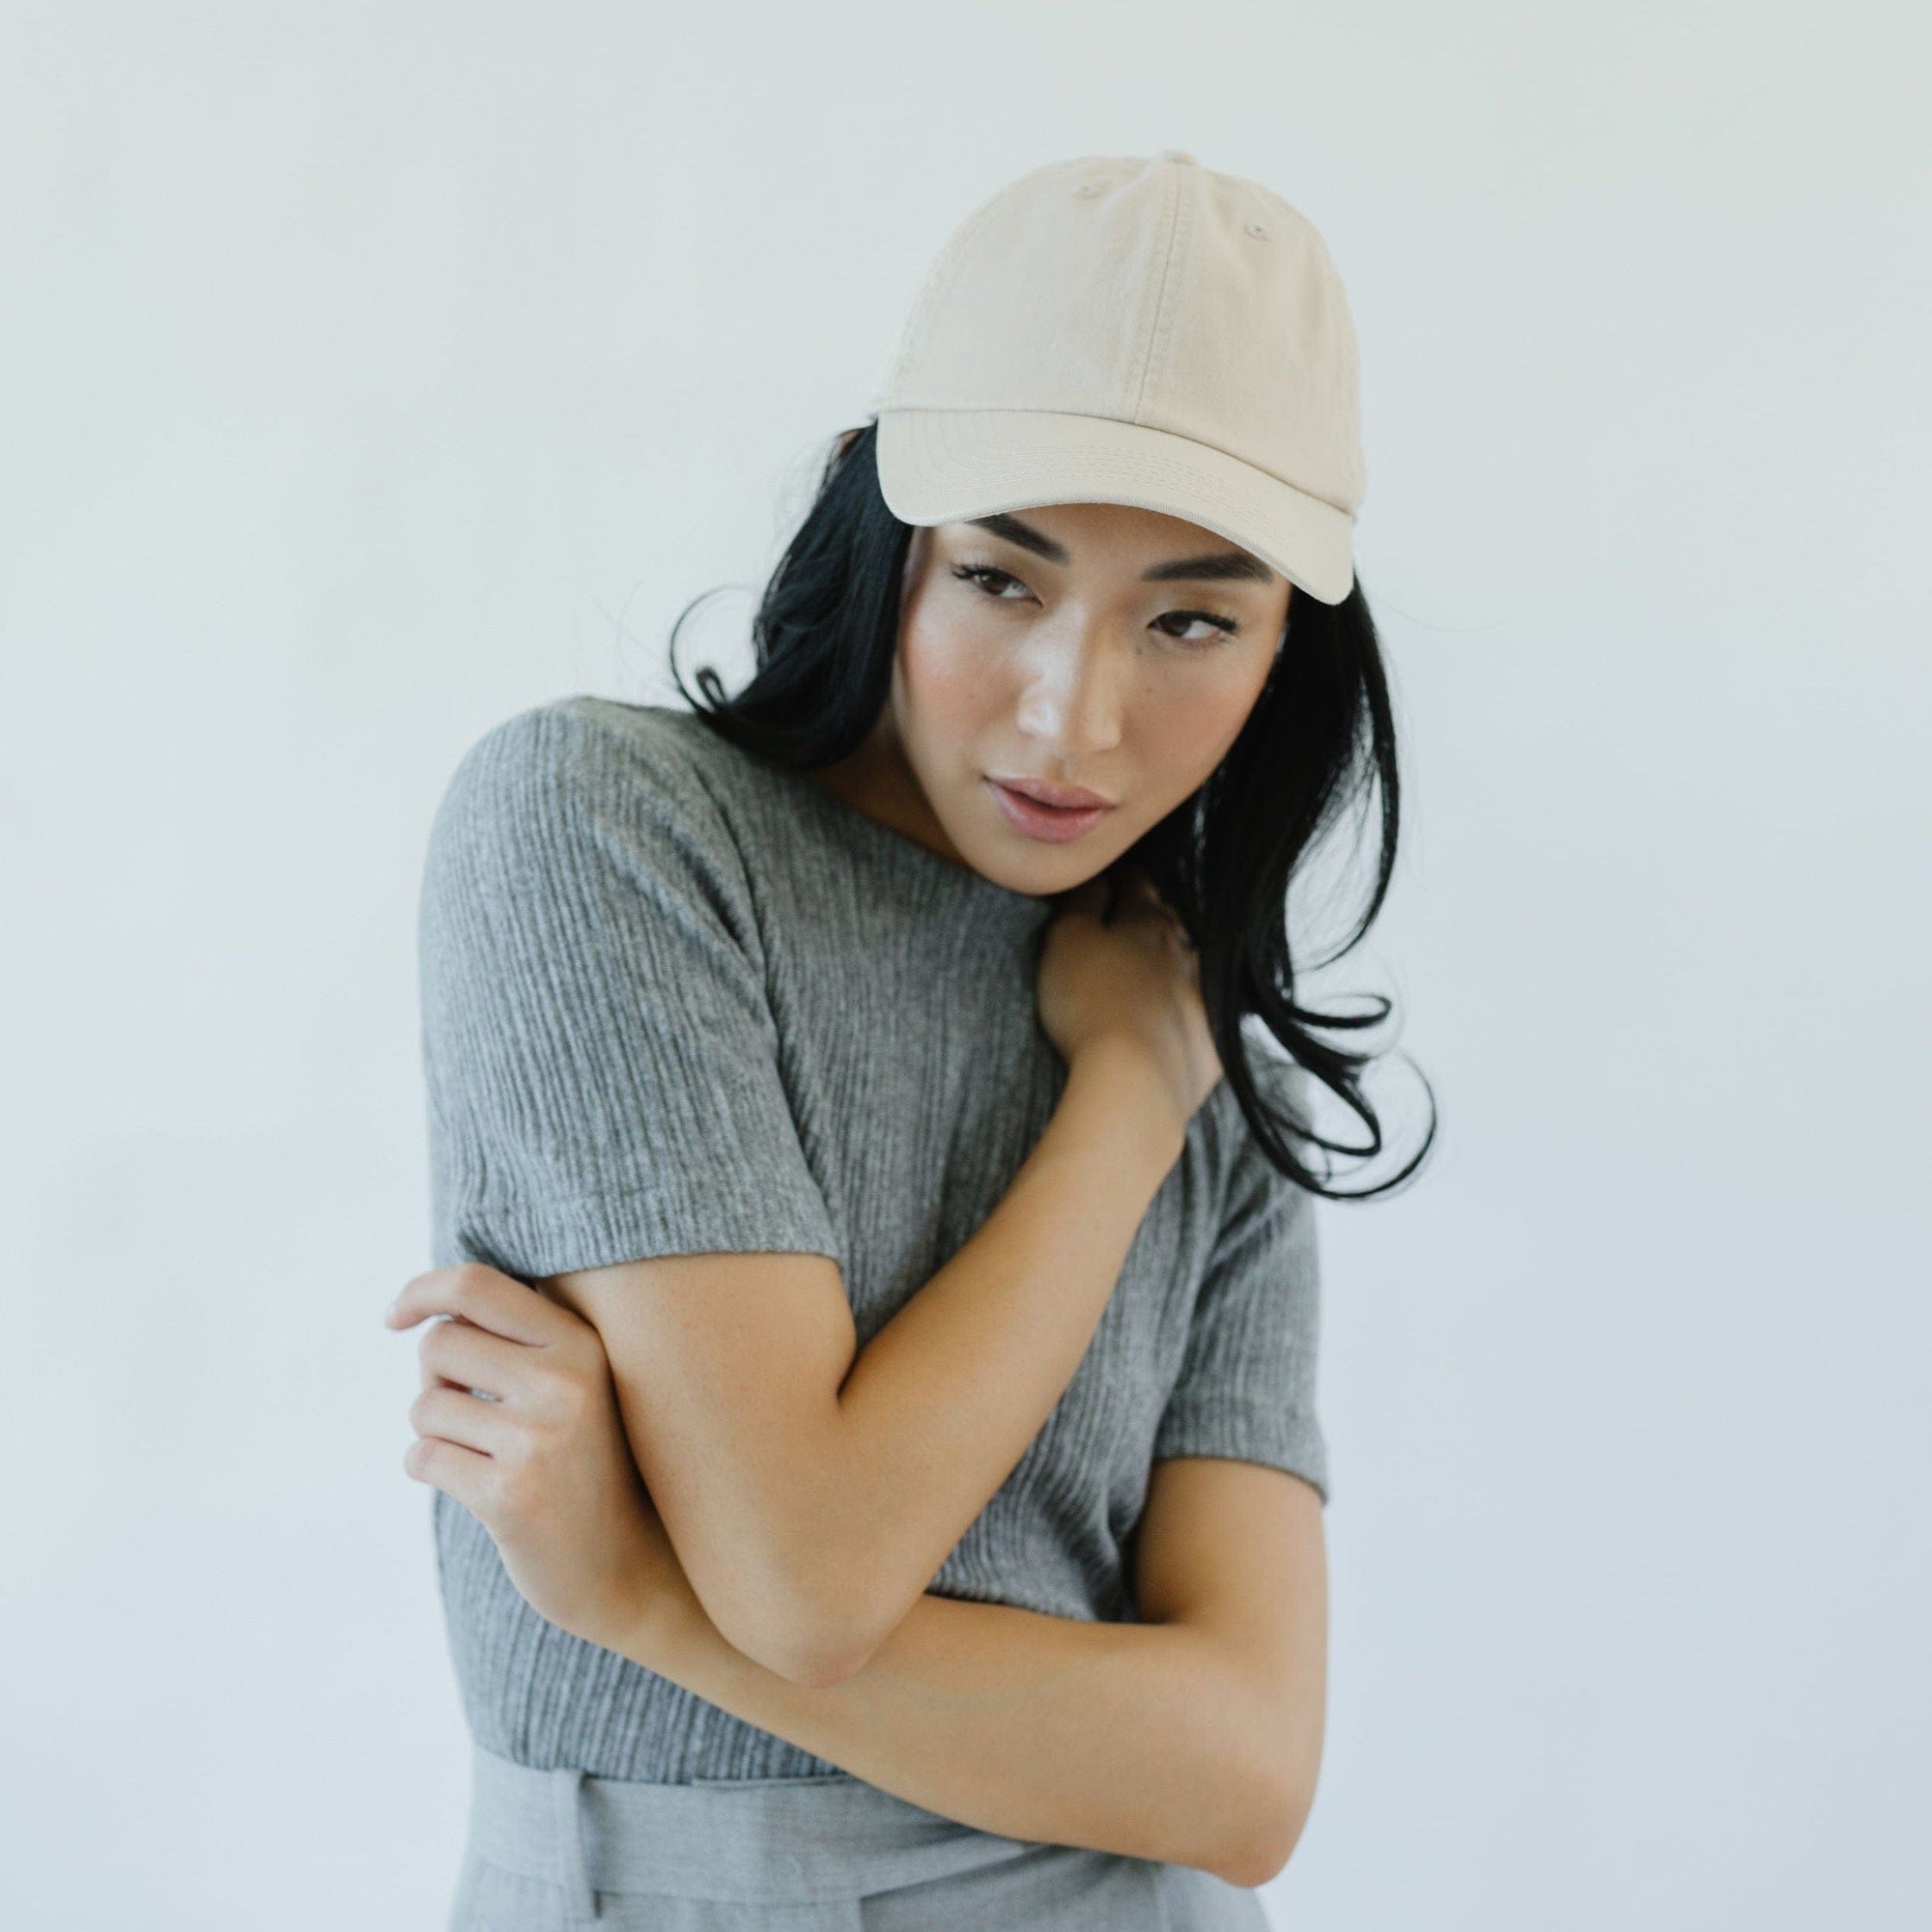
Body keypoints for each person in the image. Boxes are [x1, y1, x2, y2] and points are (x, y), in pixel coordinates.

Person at [386, 148, 1435, 1929]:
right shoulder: (615, 830)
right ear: (888, 542)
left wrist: (637, 1596)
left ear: (1288, 654)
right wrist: (1124, 1107)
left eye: (1192, 618)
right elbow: (810, 1572)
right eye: (1003, 579)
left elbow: (1249, 1776)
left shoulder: (1198, 1053)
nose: (1071, 718)